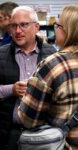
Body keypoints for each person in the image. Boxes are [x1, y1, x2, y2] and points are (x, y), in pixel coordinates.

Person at [0, 6, 57, 150]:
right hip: (7, 133)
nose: (17, 31)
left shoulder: (52, 55)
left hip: (44, 133)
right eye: (14, 25)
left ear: (36, 27)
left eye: (23, 25)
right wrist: (11, 89)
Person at [18, 5, 78, 150]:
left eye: (57, 25)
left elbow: (28, 120)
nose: (55, 29)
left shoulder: (53, 65)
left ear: (67, 30)